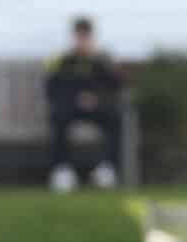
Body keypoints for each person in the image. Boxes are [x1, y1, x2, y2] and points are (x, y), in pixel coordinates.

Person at [43, 17, 126, 192]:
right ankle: (63, 170)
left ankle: (107, 169)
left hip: (97, 107)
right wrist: (74, 98)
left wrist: (96, 97)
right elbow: (52, 87)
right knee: (58, 118)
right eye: (79, 36)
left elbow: (116, 85)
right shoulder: (64, 60)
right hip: (71, 107)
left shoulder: (102, 59)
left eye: (85, 36)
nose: (82, 40)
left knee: (115, 118)